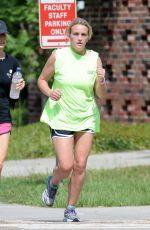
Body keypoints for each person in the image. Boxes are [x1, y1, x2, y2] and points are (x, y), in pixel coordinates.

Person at [38, 17, 106, 222]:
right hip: (61, 116)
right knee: (66, 166)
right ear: (69, 35)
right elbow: (41, 80)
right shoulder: (58, 56)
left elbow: (100, 95)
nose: (79, 38)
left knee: (80, 165)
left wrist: (101, 80)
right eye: (75, 34)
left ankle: (70, 209)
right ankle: (53, 183)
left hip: (86, 117)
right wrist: (50, 92)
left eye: (83, 34)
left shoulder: (94, 58)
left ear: (88, 37)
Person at [0, 20, 25, 176]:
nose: (1, 39)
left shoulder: (12, 62)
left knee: (0, 162)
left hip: (3, 115)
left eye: (3, 35)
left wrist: (20, 85)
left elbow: (14, 96)